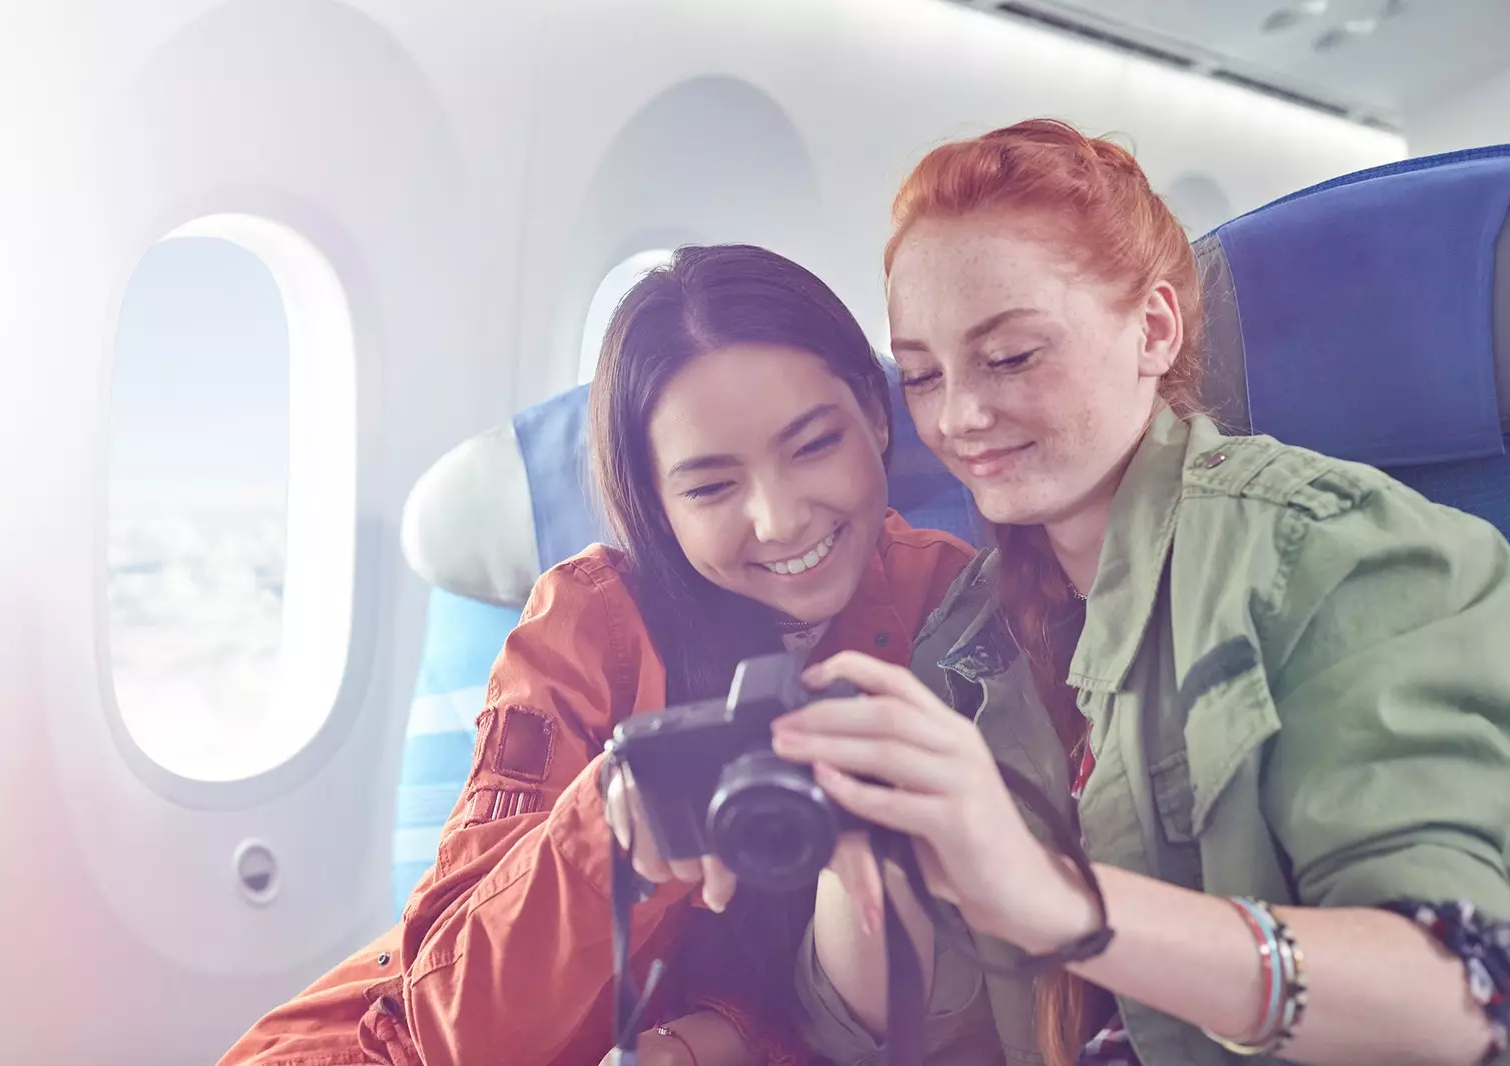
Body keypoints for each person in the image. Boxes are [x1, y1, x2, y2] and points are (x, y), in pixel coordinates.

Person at [765, 119, 1510, 1066]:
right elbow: (883, 1035)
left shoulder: (1330, 550)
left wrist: (1066, 905)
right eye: (921, 376)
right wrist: (860, 849)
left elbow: (1454, 996)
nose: (959, 417)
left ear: (1156, 330)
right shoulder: (965, 641)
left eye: (1010, 357)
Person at [214, 243, 975, 1066]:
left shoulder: (958, 607)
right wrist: (611, 832)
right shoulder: (590, 625)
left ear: (874, 413)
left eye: (814, 445)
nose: (779, 519)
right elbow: (456, 1026)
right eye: (712, 487)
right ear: (652, 502)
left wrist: (714, 1038)